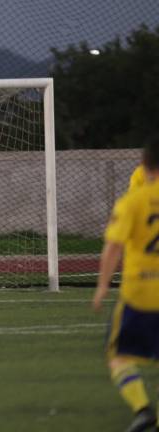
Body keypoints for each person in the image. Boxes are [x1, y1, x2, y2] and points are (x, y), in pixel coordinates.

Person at [92, 137, 159, 432]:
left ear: (143, 165)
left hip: (138, 293)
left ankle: (143, 408)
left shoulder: (133, 199)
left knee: (118, 356)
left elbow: (114, 245)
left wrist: (102, 286)